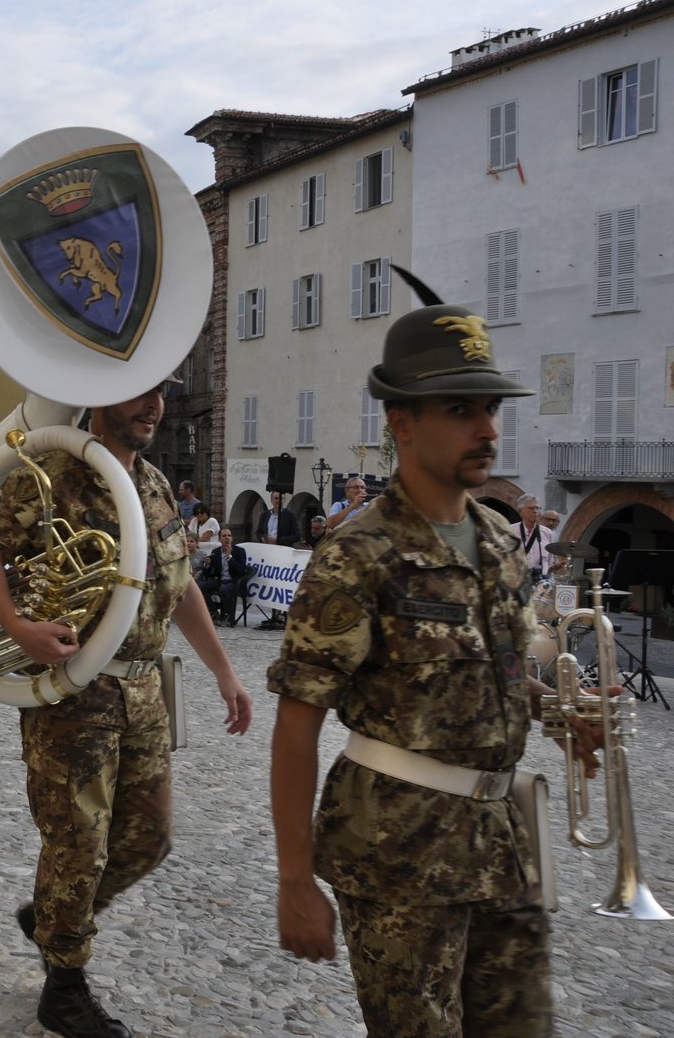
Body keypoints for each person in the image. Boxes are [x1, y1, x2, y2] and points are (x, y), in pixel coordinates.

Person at [268, 276, 604, 1035]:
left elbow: (503, 676)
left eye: (489, 407)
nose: (486, 427)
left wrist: (560, 718)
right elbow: (297, 725)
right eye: (461, 409)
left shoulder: (497, 541)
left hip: (502, 844)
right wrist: (295, 879)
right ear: (403, 423)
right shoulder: (359, 553)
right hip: (398, 853)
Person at [0, 376, 253, 1038]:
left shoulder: (152, 485)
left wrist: (224, 670)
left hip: (143, 689)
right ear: (102, 397)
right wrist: (18, 626)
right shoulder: (54, 472)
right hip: (74, 692)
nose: (153, 405)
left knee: (150, 837)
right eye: (139, 392)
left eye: (160, 393)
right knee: (76, 843)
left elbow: (179, 588)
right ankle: (64, 987)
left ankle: (50, 915)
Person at [197, 528, 249, 626]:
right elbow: (210, 573)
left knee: (223, 590)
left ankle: (228, 615)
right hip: (220, 580)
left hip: (233, 581)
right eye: (224, 536)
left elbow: (241, 571)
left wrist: (230, 557)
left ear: (232, 538)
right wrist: (207, 565)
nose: (227, 538)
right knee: (201, 586)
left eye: (229, 536)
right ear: (219, 539)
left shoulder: (239, 551)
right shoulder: (216, 552)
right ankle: (213, 612)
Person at [511, 494, 555, 578]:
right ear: (521, 511)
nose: (535, 511)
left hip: (540, 582)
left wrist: (554, 567)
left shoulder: (547, 533)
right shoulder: (511, 531)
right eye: (531, 508)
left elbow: (549, 561)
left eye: (538, 508)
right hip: (518, 581)